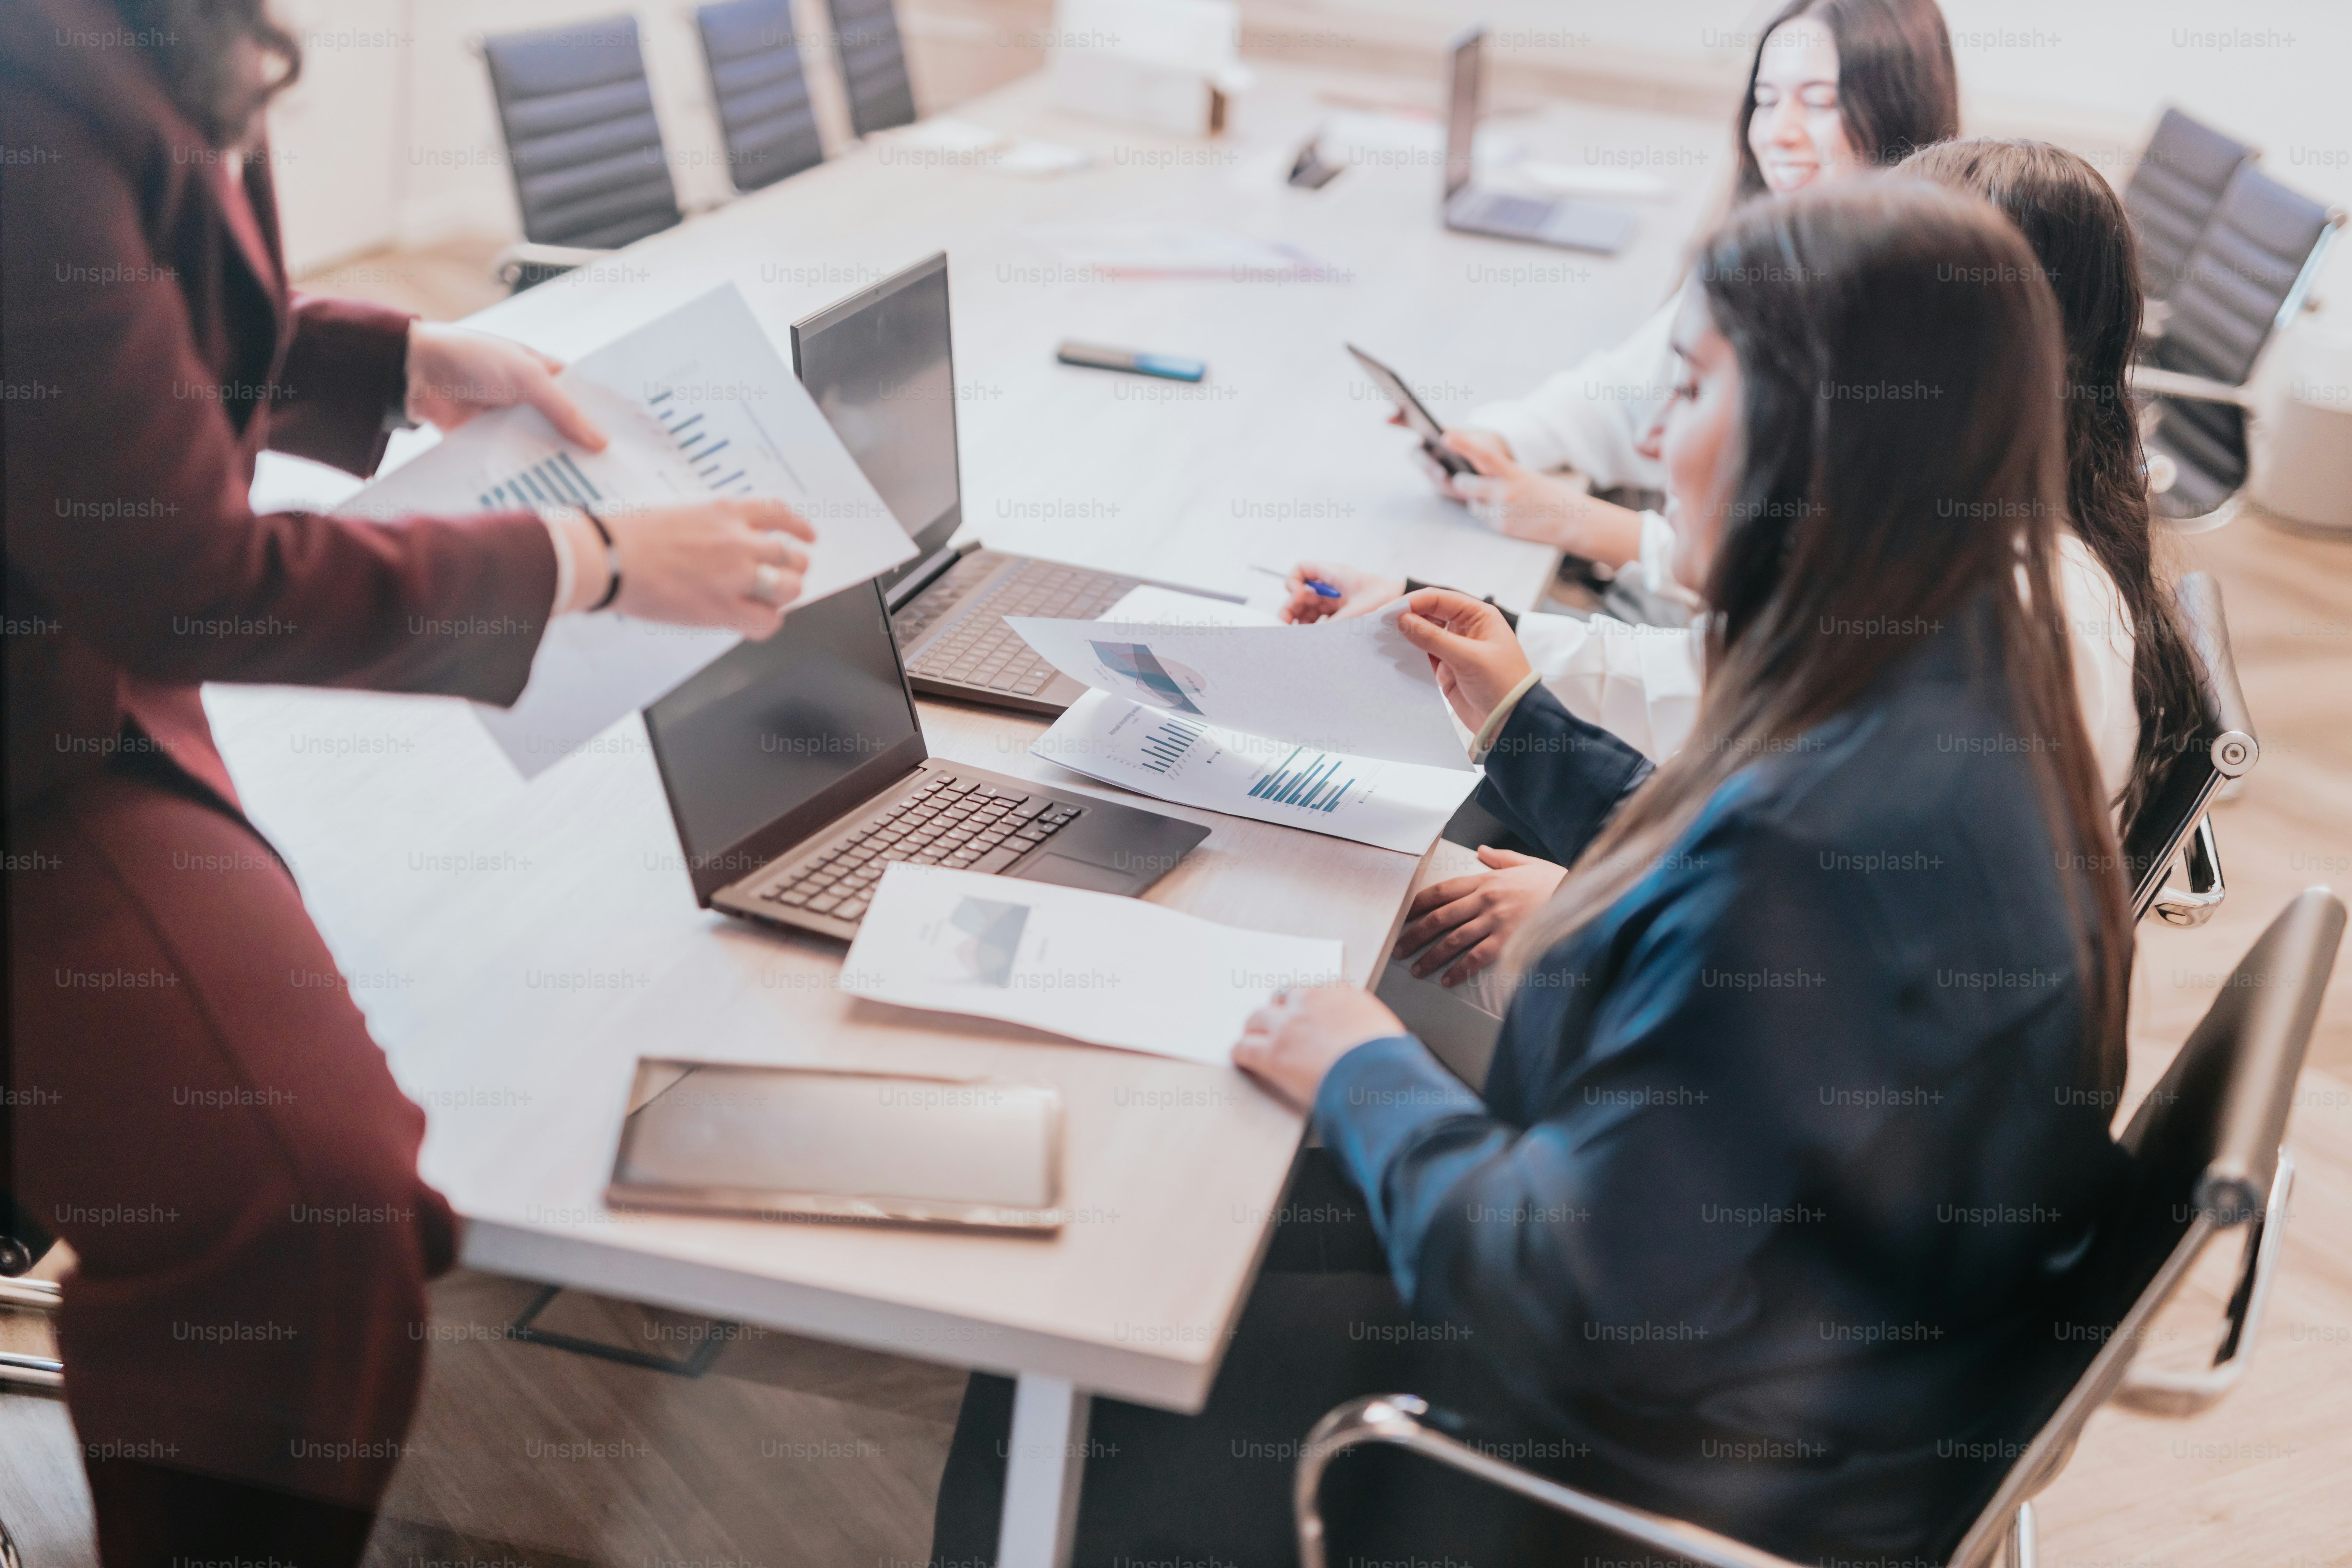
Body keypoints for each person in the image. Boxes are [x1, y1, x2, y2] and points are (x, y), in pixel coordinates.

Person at [933, 178, 2134, 1565]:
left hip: (1613, 1462)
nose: (1650, 434)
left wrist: (1358, 1063)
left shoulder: (1822, 849)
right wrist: (1517, 716)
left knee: (1122, 1237)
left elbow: (1549, 1282)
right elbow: (1712, 866)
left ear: (1825, 432)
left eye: (1689, 392)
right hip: (1793, 1347)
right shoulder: (1958, 675)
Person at [4, 2, 812, 1557]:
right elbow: (184, 580)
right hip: (51, 724)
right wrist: (592, 558)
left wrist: (390, 356)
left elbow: (107, 313)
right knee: (309, 1204)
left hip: (76, 675)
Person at [1332, 136, 2195, 993]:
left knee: (1345, 900)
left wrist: (1594, 913)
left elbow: (1821, 964)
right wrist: (1497, 679)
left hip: (1787, 1069)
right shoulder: (1978, 549)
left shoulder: (1989, 628)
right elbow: (1742, 796)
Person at [1407, 0, 1958, 570]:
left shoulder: (1913, 317)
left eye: (1820, 102)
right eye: (1766, 101)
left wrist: (1577, 520)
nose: (1779, 133)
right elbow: (1625, 396)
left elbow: (1798, 581)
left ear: (1902, 111)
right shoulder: (1761, 262)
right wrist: (1496, 439)